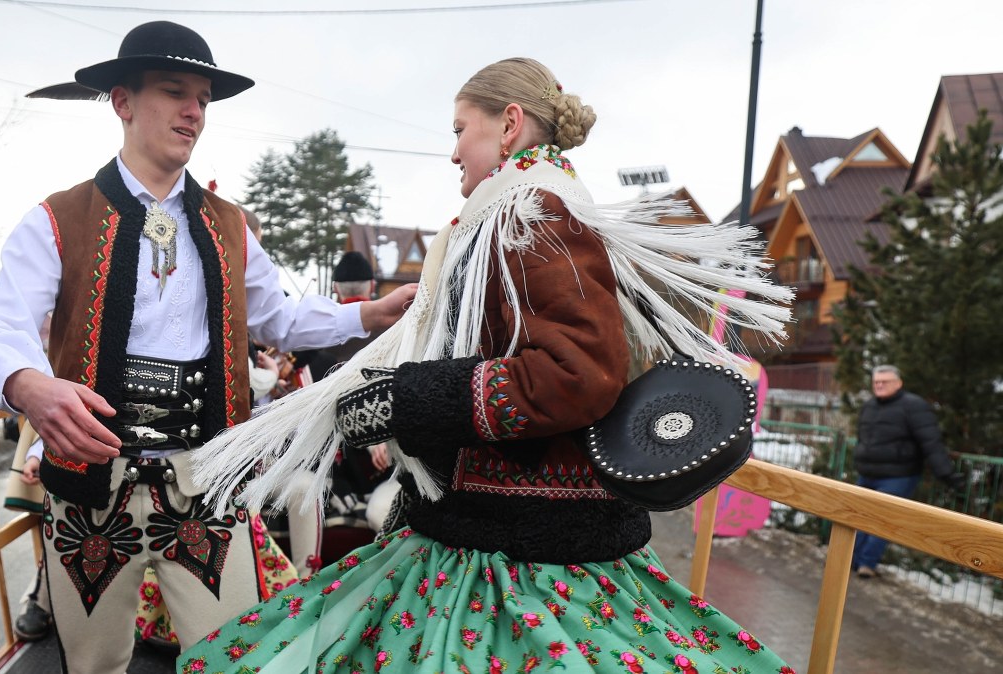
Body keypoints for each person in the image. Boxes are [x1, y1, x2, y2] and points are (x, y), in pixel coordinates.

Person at [182, 57, 796, 673]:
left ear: (508, 125)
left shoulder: (534, 218)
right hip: (493, 533)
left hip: (521, 557)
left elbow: (577, 372)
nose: (453, 153)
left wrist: (410, 397)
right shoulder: (519, 216)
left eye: (458, 130)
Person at [0, 21, 413, 673]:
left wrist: (366, 312)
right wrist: (28, 385)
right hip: (93, 488)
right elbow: (0, 327)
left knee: (232, 657)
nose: (194, 111)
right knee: (95, 666)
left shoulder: (227, 225)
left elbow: (278, 318)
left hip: (204, 481)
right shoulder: (57, 218)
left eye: (202, 97)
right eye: (175, 92)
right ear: (122, 102)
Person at [852, 364, 966, 578]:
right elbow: (863, 438)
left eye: (885, 382)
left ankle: (866, 564)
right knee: (857, 517)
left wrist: (946, 474)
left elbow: (930, 442)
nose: (879, 385)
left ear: (898, 383)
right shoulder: (869, 406)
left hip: (898, 476)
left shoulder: (914, 406)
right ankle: (851, 560)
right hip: (867, 474)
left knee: (882, 520)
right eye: (876, 382)